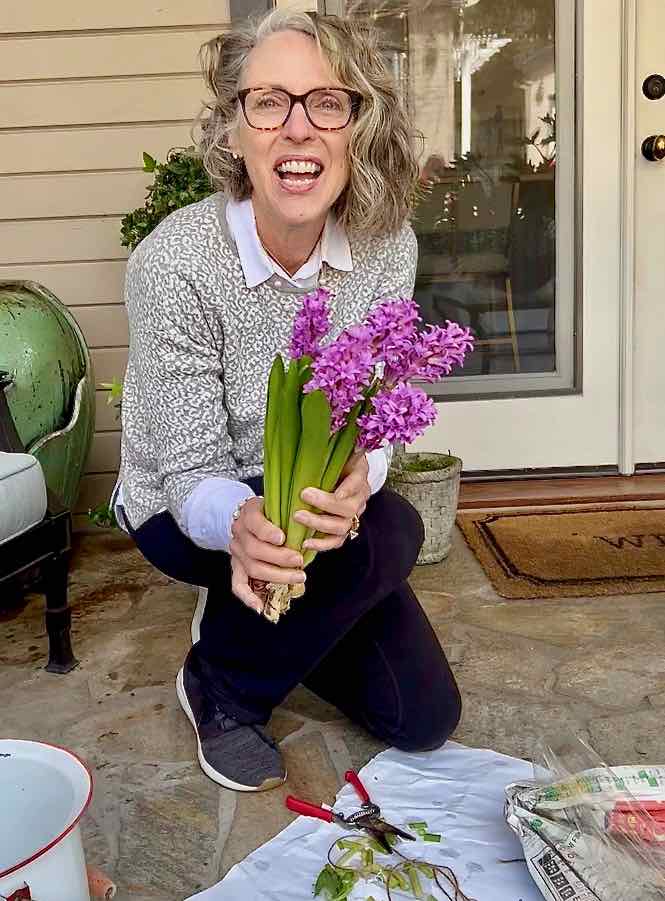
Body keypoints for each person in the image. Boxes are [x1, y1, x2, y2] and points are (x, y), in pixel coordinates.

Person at [113, 9, 462, 793]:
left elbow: (376, 421)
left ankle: (288, 613)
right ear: (233, 132)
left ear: (356, 129)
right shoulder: (175, 261)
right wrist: (240, 525)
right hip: (185, 504)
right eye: (268, 102)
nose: (297, 129)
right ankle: (221, 683)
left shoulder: (384, 246)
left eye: (326, 103)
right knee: (393, 533)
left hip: (309, 501)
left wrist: (359, 478)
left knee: (424, 717)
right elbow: (185, 467)